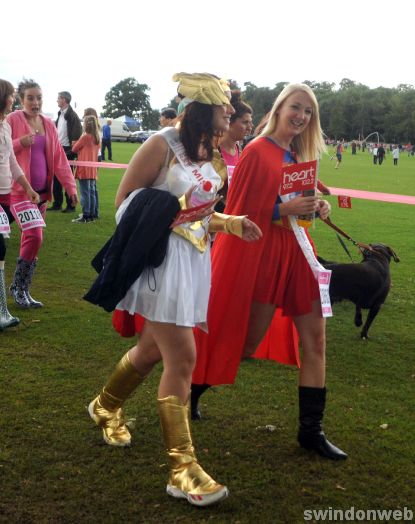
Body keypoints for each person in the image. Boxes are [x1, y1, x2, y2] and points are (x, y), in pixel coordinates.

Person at [87, 72, 262, 507]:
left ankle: (105, 406)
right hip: (161, 264)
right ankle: (182, 469)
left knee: (151, 351)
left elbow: (204, 214)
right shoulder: (162, 144)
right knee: (182, 357)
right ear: (206, 109)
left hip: (194, 263)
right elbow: (124, 203)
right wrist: (171, 211)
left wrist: (230, 223)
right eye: (226, 109)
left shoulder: (213, 153)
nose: (232, 117)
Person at [192, 83, 347, 461]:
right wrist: (284, 211)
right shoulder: (257, 152)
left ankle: (311, 431)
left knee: (317, 340)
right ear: (279, 109)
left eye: (308, 112)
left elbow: (297, 202)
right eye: (296, 107)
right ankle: (193, 387)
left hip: (299, 253)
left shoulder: (298, 153)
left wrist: (316, 207)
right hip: (261, 253)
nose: (302, 116)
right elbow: (241, 210)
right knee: (244, 343)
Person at [7, 79, 78, 308]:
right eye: (30, 98)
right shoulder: (13, 119)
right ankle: (18, 288)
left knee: (33, 241)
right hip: (19, 191)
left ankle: (23, 290)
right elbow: (3, 148)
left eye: (39, 97)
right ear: (20, 99)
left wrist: (71, 187)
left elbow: (59, 159)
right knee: (35, 235)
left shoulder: (48, 124)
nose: (35, 102)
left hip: (41, 195)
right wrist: (20, 143)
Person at [0, 79, 40, 330]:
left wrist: (28, 188)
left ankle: (2, 309)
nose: (13, 99)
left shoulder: (4, 127)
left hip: (6, 196)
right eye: (11, 95)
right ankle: (2, 310)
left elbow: (12, 162)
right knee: (0, 248)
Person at [49, 91, 82, 212]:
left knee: (68, 178)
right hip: (58, 149)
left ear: (64, 100)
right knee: (56, 177)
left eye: (58, 98)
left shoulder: (72, 116)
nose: (57, 100)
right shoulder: (60, 114)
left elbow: (76, 135)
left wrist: (72, 151)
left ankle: (70, 205)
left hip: (68, 151)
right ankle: (57, 203)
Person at [71, 115, 101, 223]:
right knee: (91, 192)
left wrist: (76, 144)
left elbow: (74, 148)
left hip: (84, 169)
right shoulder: (97, 137)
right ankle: (92, 213)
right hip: (92, 169)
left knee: (85, 193)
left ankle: (86, 215)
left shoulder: (85, 137)